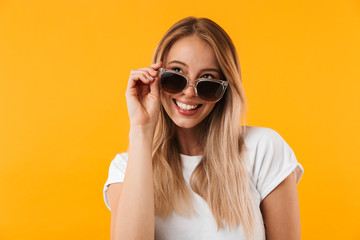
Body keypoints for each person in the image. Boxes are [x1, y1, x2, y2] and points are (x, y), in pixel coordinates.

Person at [103, 17, 304, 240]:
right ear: (156, 77)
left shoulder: (263, 149)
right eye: (176, 74)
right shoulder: (126, 169)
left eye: (207, 79)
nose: (189, 92)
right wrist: (141, 128)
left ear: (225, 89)